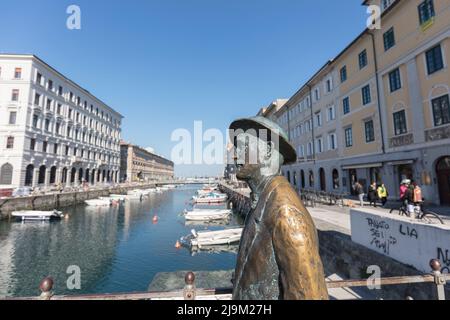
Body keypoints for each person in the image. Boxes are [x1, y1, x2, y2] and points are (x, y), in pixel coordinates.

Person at [230, 116, 328, 300]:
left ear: (267, 151)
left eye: (243, 147)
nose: (235, 155)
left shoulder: (285, 211)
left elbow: (309, 294)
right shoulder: (263, 199)